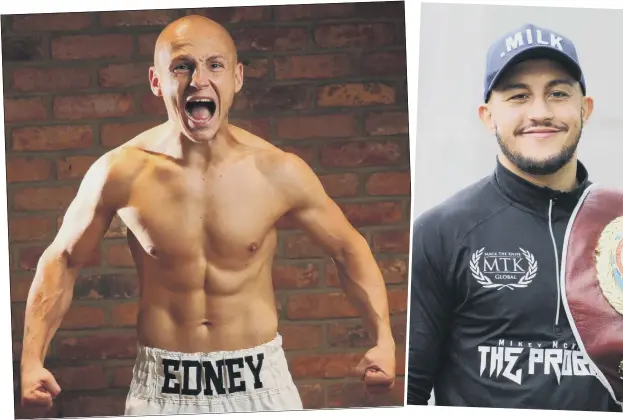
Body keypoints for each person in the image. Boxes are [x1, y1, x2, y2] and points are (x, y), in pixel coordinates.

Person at [19, 15, 396, 416]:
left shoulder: (277, 170)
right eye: (182, 66)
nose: (199, 79)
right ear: (157, 81)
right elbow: (63, 259)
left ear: (236, 77)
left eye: (214, 65)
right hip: (162, 388)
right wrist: (30, 359)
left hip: (259, 383)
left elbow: (348, 248)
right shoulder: (120, 171)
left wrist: (384, 338)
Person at [407, 23, 621, 410]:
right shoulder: (441, 232)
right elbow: (409, 392)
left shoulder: (617, 225)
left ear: (584, 109)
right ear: (487, 116)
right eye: (518, 96)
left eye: (557, 94)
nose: (540, 112)